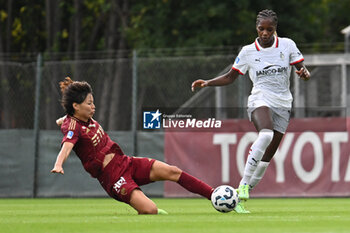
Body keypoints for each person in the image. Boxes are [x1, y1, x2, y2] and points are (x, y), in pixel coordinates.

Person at [191, 9, 310, 214]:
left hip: (283, 102)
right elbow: (230, 77)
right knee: (265, 134)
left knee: (268, 156)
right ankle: (244, 183)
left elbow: (302, 69)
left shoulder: (288, 45)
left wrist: (304, 74)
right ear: (256, 28)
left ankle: (240, 197)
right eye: (261, 29)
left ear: (275, 29)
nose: (265, 33)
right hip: (260, 98)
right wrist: (208, 82)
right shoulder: (248, 51)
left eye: (269, 29)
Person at [51, 77, 214, 215]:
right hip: (113, 177)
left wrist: (62, 120)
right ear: (75, 106)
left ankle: (214, 195)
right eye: (89, 103)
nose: (93, 107)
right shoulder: (73, 127)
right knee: (150, 210)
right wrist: (58, 164)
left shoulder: (81, 118)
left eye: (93, 102)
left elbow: (66, 119)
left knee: (173, 171)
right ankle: (152, 211)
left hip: (125, 162)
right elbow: (66, 147)